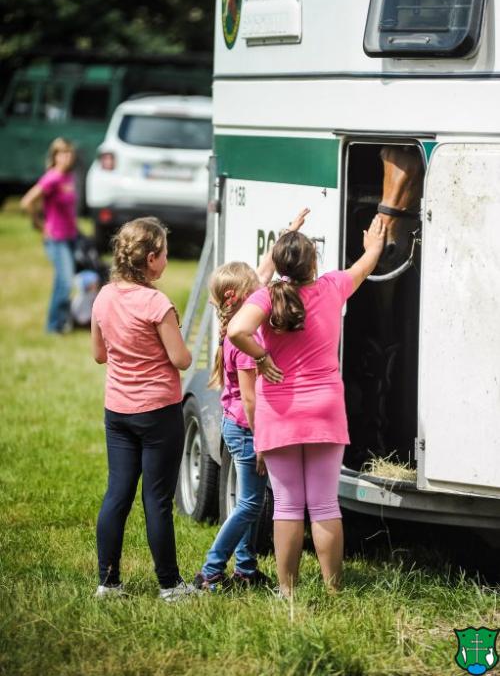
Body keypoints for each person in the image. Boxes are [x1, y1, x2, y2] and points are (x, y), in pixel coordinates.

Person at [227, 215, 386, 597]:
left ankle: (288, 591)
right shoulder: (333, 286)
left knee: (287, 506)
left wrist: (263, 358)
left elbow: (236, 330)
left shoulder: (266, 296)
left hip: (278, 414)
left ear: (281, 264)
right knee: (324, 504)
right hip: (324, 410)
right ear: (313, 263)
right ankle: (333, 590)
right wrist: (374, 247)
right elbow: (365, 265)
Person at [195, 209, 310, 592]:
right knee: (249, 504)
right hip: (247, 430)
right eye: (255, 289)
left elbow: (262, 273)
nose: (264, 289)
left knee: (251, 499)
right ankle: (211, 571)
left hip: (237, 426)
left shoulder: (236, 318)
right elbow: (249, 398)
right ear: (238, 296)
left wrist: (287, 234)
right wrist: (263, 441)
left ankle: (244, 569)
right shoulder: (247, 344)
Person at [91, 216, 196, 602]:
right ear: (151, 259)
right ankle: (169, 586)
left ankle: (108, 582)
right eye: (165, 254)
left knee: (117, 493)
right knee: (157, 499)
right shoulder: (157, 303)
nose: (167, 260)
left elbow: (99, 354)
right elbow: (181, 359)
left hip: (117, 411)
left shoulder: (103, 297)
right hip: (157, 413)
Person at [21, 138, 78, 333]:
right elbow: (27, 201)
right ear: (54, 157)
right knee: (65, 281)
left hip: (71, 236)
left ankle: (63, 322)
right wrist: (39, 224)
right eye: (62, 153)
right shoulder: (52, 178)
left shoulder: (68, 177)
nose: (67, 157)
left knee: (64, 281)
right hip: (56, 239)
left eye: (69, 153)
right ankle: (53, 326)